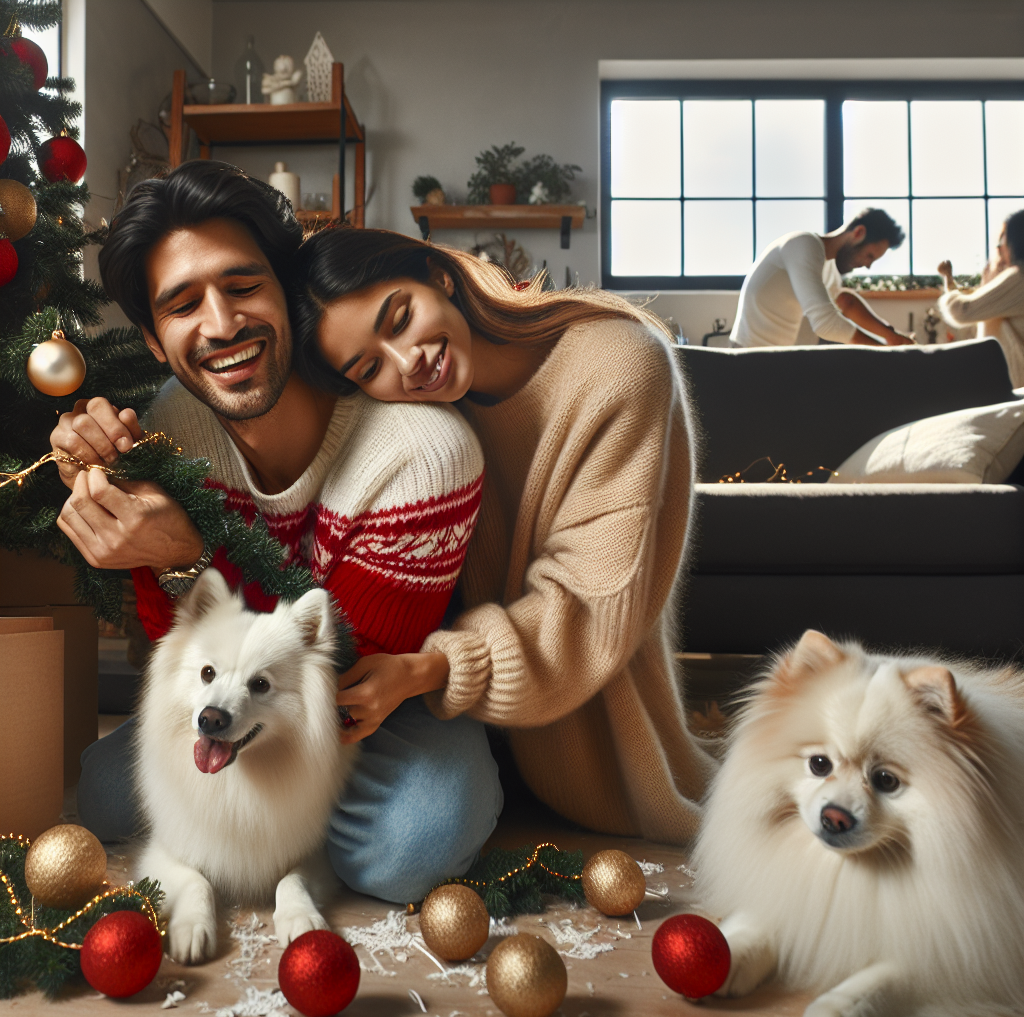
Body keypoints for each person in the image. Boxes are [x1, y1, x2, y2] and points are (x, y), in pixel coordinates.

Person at [50, 161, 500, 904]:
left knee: (410, 845)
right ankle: (282, 820)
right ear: (155, 341)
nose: (223, 325)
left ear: (287, 293)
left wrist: (189, 555)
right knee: (103, 795)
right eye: (183, 304)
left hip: (375, 702)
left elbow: (346, 665)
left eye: (243, 285)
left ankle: (298, 822)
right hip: (240, 696)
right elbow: (182, 644)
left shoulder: (423, 449)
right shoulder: (166, 431)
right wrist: (151, 546)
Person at [287, 226, 719, 847]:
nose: (409, 363)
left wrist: (427, 668)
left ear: (439, 275)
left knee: (409, 841)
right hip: (429, 711)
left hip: (567, 728)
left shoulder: (618, 363)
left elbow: (584, 608)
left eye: (401, 317)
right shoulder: (404, 418)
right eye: (370, 366)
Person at [731, 208, 915, 348]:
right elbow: (826, 324)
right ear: (858, 233)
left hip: (772, 360)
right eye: (869, 256)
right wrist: (884, 352)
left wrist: (892, 336)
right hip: (746, 357)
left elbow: (845, 302)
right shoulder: (803, 244)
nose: (867, 266)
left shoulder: (827, 267)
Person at [938, 210, 1024, 387]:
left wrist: (948, 283)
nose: (999, 249)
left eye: (1003, 241)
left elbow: (962, 311)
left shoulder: (1019, 277)